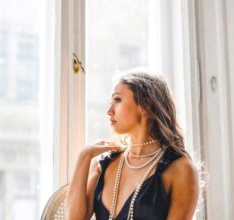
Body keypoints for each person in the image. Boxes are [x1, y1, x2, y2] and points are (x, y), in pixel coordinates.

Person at [66, 71, 199, 220]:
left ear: (145, 106)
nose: (109, 111)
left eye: (117, 100)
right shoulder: (103, 164)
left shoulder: (180, 169)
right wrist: (84, 156)